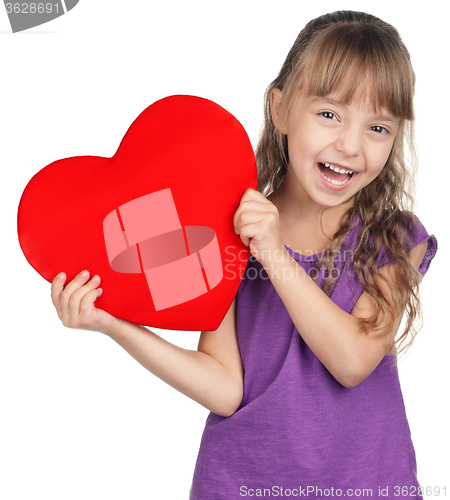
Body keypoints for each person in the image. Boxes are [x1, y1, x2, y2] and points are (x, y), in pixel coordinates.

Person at [51, 10, 438, 499]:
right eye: (329, 115)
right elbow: (223, 387)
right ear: (280, 108)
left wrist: (274, 252)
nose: (350, 145)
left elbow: (352, 359)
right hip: (241, 484)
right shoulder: (222, 229)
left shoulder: (396, 236)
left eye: (378, 128)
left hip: (366, 486)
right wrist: (115, 324)